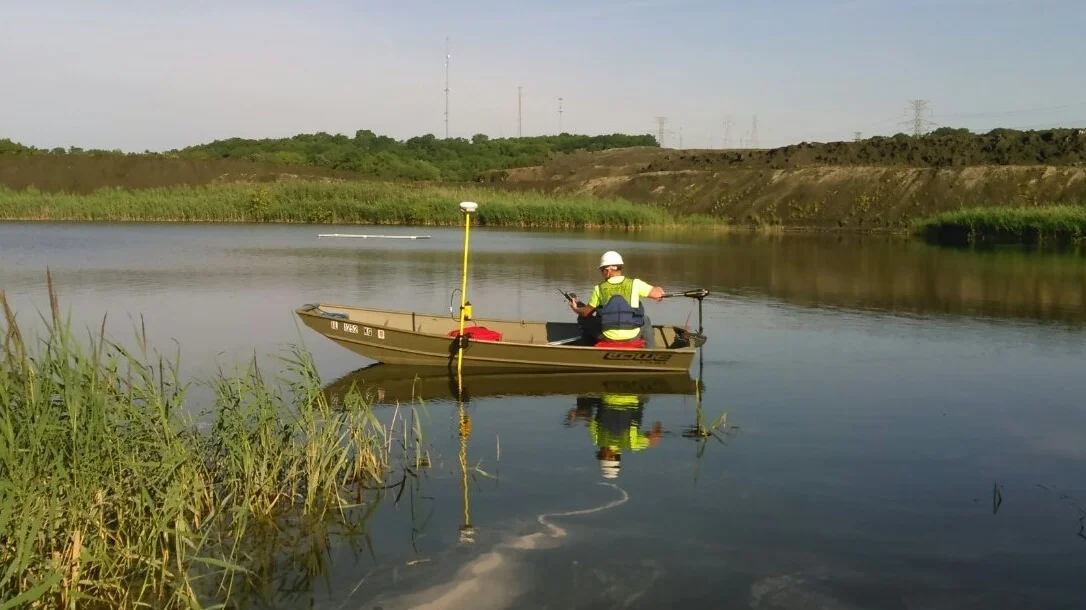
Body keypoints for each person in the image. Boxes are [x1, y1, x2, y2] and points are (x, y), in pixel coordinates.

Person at [569, 251, 665, 348]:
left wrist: (575, 308)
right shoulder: (635, 283)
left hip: (608, 337)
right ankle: (651, 351)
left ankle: (589, 350)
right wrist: (658, 289)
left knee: (583, 318)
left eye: (602, 270)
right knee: (645, 319)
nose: (602, 272)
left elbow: (585, 312)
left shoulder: (599, 288)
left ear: (608, 270)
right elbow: (658, 294)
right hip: (633, 337)